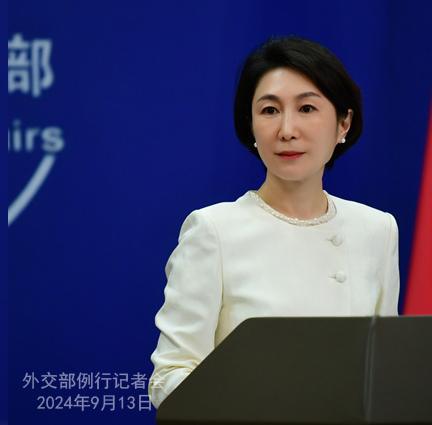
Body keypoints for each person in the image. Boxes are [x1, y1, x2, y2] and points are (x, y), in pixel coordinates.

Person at [148, 36, 400, 408]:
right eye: (269, 111)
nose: (287, 130)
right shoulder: (214, 230)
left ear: (344, 123)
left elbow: (384, 372)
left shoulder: (376, 229)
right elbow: (169, 378)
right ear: (250, 125)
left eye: (307, 108)